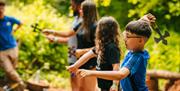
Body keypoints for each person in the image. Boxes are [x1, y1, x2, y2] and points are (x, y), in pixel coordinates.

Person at [76, 14, 156, 91]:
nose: (124, 38)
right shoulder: (133, 50)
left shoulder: (137, 58)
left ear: (140, 40)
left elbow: (120, 74)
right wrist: (142, 21)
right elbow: (135, 32)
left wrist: (91, 73)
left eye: (127, 36)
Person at [43, 0, 98, 91]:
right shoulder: (81, 24)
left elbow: (99, 48)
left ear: (89, 11)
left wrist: (82, 51)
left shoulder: (96, 27)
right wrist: (51, 32)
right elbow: (67, 34)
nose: (80, 11)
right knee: (79, 88)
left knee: (88, 89)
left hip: (91, 63)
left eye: (82, 10)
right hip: (79, 62)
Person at [67, 16, 121, 91]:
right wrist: (75, 66)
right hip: (103, 85)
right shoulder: (102, 46)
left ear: (102, 31)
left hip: (111, 87)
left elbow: (116, 67)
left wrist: (115, 84)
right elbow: (87, 55)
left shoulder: (112, 48)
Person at [0, 0, 24, 90]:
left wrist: (14, 30)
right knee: (9, 70)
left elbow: (20, 23)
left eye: (2, 7)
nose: (0, 9)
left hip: (13, 48)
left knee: (11, 71)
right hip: (2, 51)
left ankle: (11, 87)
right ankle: (21, 84)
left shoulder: (9, 19)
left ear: (4, 8)